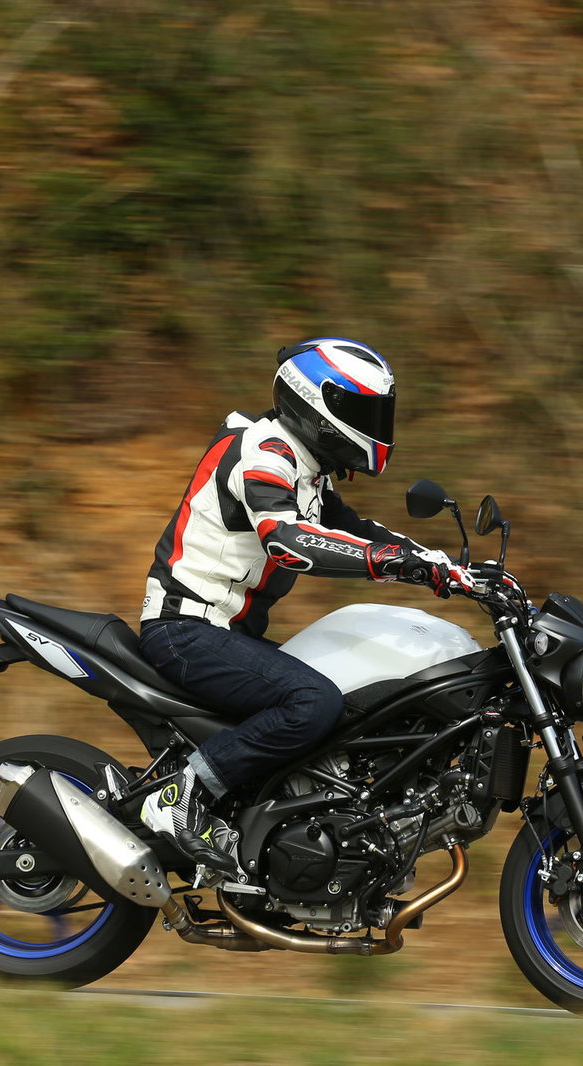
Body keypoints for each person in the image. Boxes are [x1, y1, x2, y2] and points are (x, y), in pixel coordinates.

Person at [136, 337, 471, 875]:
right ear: (318, 402)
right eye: (364, 411)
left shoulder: (305, 468)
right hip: (185, 629)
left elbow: (359, 531)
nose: (376, 424)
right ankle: (181, 796)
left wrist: (448, 569)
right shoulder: (262, 451)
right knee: (312, 702)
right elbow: (287, 539)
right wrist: (390, 563)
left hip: (226, 633)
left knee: (349, 702)